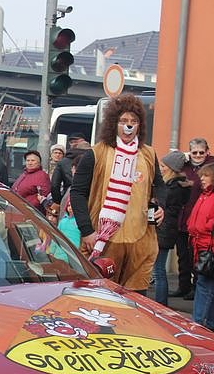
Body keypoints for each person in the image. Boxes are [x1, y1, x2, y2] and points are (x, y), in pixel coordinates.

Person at [70, 94, 165, 294]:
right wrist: (87, 230)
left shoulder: (148, 154)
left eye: (134, 121)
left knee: (136, 302)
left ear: (140, 125)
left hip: (139, 242)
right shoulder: (95, 154)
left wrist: (160, 206)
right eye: (123, 121)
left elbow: (159, 185)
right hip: (103, 240)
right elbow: (77, 193)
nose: (129, 126)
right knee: (101, 298)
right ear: (114, 124)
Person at [173, 138, 214, 300]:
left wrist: (192, 184)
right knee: (183, 257)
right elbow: (169, 162)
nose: (198, 155)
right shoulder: (184, 166)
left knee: (198, 259)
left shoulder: (212, 168)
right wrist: (182, 157)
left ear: (207, 151)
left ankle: (194, 288)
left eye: (201, 152)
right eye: (194, 152)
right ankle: (183, 286)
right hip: (183, 219)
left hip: (201, 223)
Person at [153, 150, 193, 306]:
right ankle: (160, 302)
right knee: (159, 270)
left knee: (159, 271)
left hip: (164, 231)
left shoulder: (173, 188)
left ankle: (160, 304)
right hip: (167, 230)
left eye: (163, 166)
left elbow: (165, 208)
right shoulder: (176, 186)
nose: (161, 169)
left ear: (171, 168)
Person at [187, 162, 214, 334]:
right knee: (213, 288)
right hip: (202, 245)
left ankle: (197, 324)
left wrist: (209, 225)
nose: (201, 178)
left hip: (213, 247)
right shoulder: (205, 195)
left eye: (205, 175)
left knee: (205, 286)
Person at [51, 138, 92, 205]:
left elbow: (54, 185)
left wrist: (59, 201)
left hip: (67, 199)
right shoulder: (93, 160)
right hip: (88, 199)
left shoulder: (62, 162)